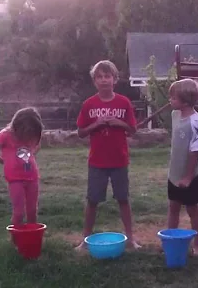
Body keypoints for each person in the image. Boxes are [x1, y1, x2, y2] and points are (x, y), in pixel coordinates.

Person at [74, 60, 141, 251]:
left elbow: (133, 129)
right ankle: (85, 240)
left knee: (123, 199)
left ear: (115, 79)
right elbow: (80, 132)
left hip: (119, 160)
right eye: (100, 77)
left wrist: (118, 123)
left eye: (107, 76)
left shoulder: (124, 102)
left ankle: (130, 239)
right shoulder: (89, 104)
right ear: (94, 81)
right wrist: (97, 124)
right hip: (97, 162)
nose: (104, 80)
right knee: (92, 200)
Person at [0, 107, 44, 226]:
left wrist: (30, 154)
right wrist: (4, 162)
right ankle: (16, 240)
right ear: (17, 128)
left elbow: (38, 145)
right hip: (15, 179)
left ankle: (32, 238)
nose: (28, 137)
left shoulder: (33, 134)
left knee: (32, 211)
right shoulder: (5, 135)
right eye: (26, 134)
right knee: (19, 213)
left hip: (32, 177)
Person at [166, 78, 198, 255]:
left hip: (190, 176)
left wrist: (188, 177)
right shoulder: (175, 115)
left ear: (185, 100)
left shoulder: (195, 122)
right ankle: (170, 240)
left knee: (192, 209)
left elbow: (195, 151)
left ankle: (197, 244)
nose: (170, 101)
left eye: (173, 98)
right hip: (174, 174)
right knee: (173, 207)